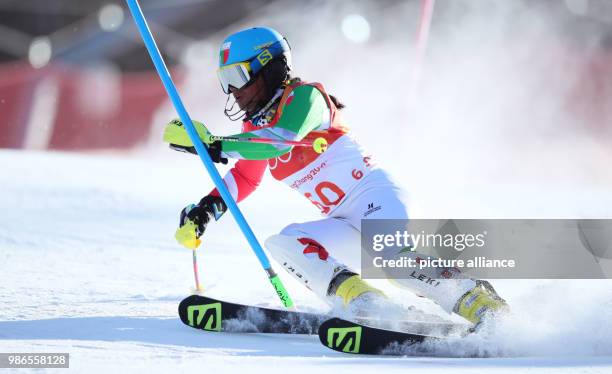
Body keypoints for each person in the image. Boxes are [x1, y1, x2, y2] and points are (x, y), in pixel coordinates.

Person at [163, 26, 506, 326]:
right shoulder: (254, 128)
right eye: (225, 82)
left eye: (237, 78)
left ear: (268, 68)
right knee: (285, 243)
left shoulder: (306, 98)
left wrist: (215, 144)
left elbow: (281, 141)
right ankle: (365, 303)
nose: (232, 91)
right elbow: (246, 177)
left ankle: (483, 305)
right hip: (343, 220)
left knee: (396, 266)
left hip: (375, 198)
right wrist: (207, 209)